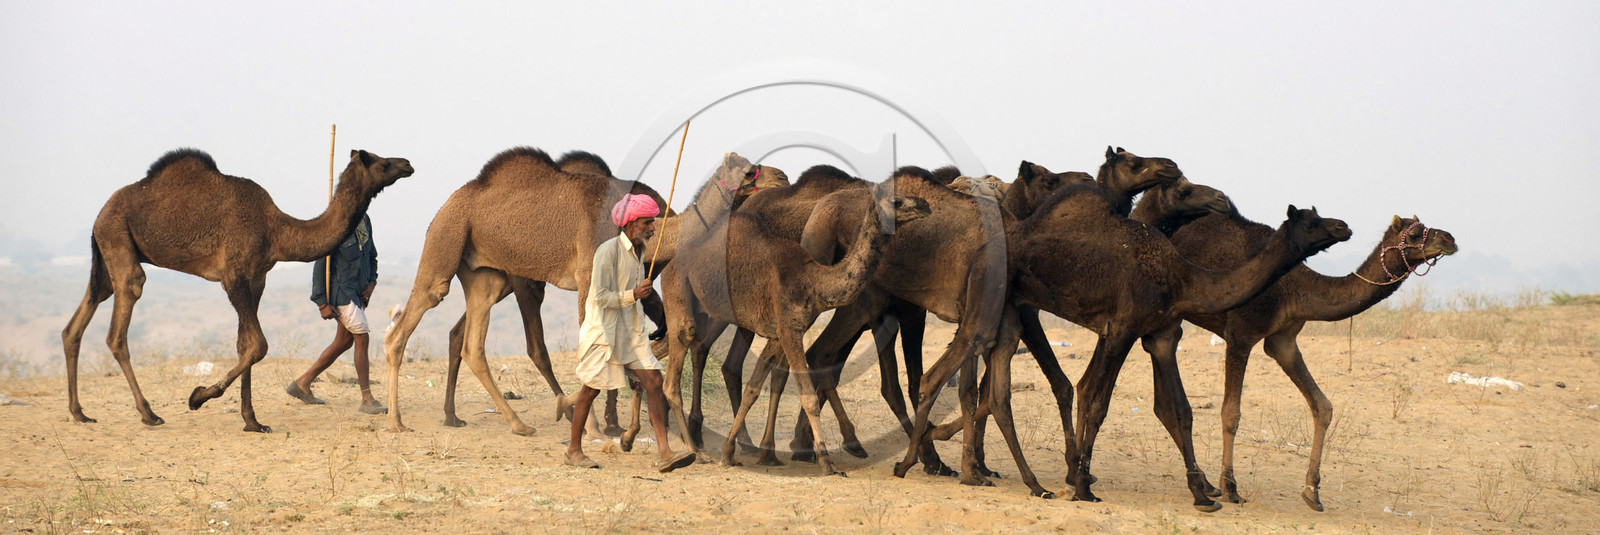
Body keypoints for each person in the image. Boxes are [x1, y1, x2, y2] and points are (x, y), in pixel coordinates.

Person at [560, 194, 694, 472]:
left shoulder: (641, 254)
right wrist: (633, 294)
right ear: (631, 224)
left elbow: (639, 295)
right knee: (590, 391)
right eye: (647, 223)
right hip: (604, 332)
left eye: (653, 223)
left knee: (655, 383)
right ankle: (573, 450)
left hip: (631, 333)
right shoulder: (606, 252)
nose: (652, 228)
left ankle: (665, 452)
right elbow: (599, 297)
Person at [286, 213, 386, 414]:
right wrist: (321, 302)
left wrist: (372, 283)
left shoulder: (364, 220)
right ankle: (366, 398)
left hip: (359, 293)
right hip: (342, 293)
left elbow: (371, 254)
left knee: (343, 342)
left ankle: (302, 383)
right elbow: (320, 265)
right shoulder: (335, 223)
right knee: (361, 338)